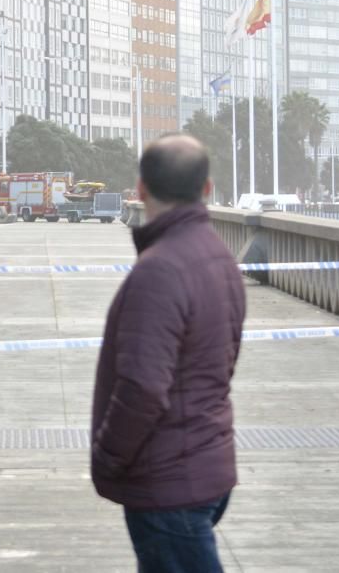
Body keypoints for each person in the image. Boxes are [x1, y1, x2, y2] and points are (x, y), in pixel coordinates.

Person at [91, 134, 246, 573]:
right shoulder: (219, 259)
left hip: (167, 481)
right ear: (207, 189)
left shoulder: (159, 271)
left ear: (140, 190)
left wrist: (107, 456)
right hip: (206, 464)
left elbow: (142, 388)